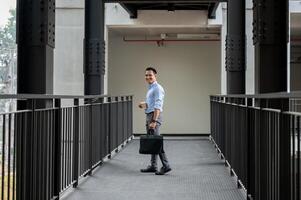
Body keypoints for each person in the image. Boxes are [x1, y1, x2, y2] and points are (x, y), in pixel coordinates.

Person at [138, 67, 172, 175]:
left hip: (154, 117)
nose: (148, 77)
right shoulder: (151, 88)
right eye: (146, 75)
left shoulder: (157, 88)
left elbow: (158, 106)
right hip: (150, 115)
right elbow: (152, 103)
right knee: (153, 142)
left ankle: (166, 165)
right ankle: (153, 165)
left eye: (150, 75)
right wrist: (144, 104)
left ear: (155, 76)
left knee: (157, 142)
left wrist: (154, 121)